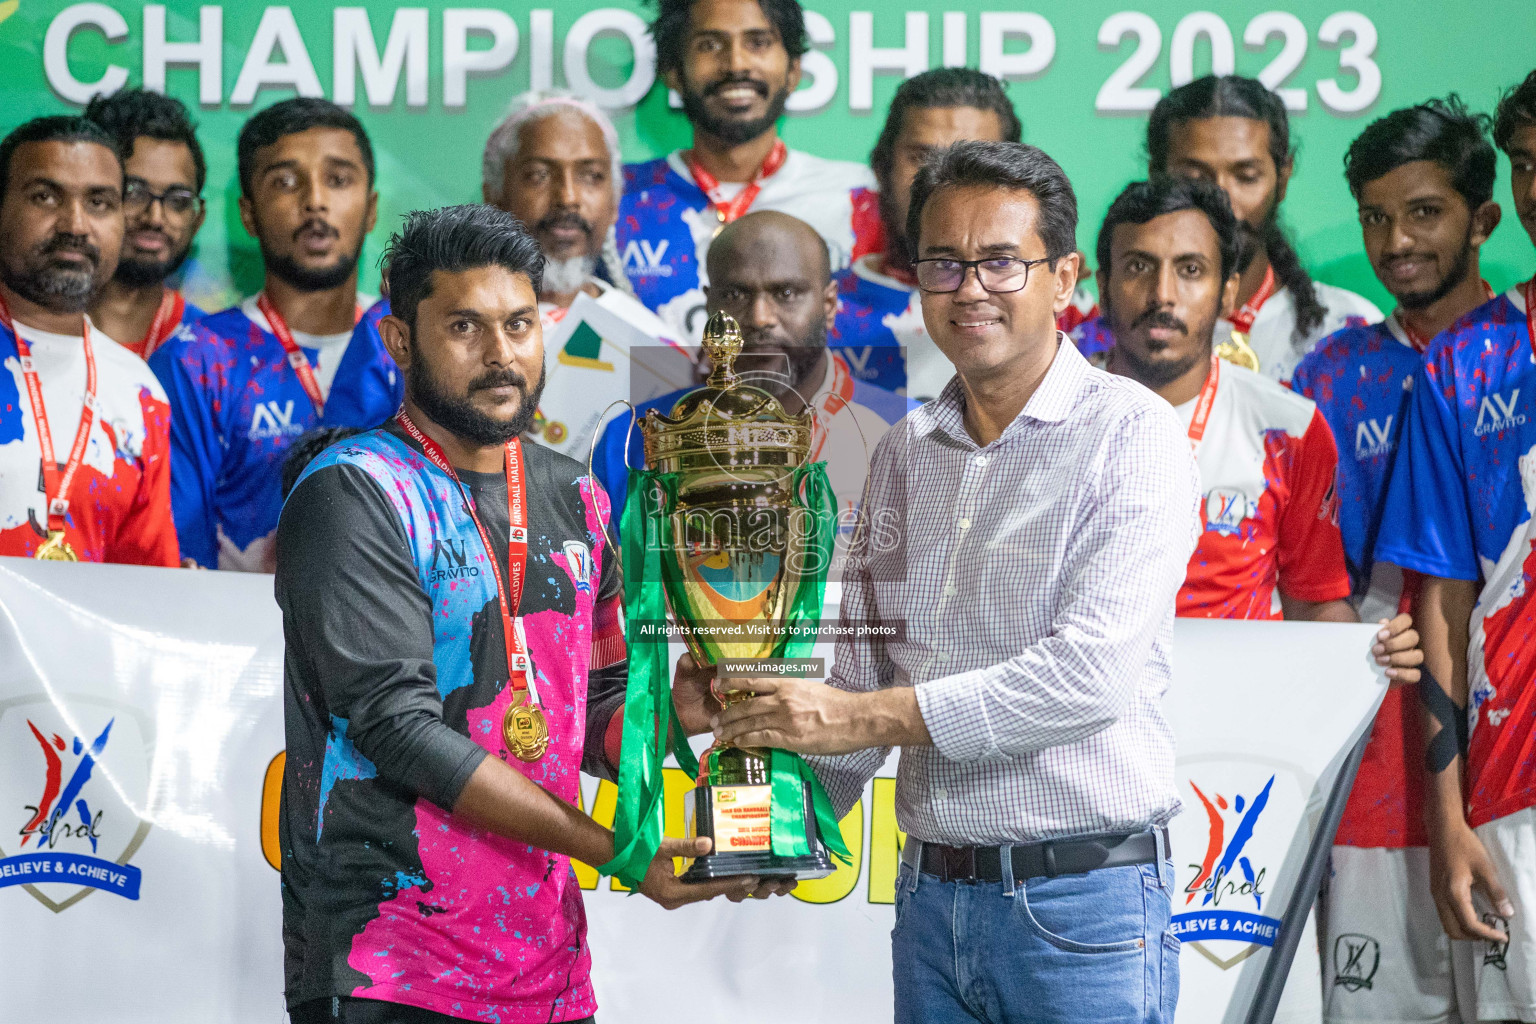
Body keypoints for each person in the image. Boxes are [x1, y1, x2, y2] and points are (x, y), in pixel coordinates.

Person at [706, 140, 1199, 1023]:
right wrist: (778, 826)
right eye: (944, 262)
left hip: (1080, 906)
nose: (971, 287)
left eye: (1002, 261)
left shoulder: (1135, 435)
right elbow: (861, 679)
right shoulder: (902, 453)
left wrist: (857, 715)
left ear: (1064, 278)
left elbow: (1087, 679)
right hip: (931, 906)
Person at [277, 205, 777, 1024]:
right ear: (401, 341)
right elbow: (396, 729)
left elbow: (595, 709)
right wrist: (618, 851)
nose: (501, 354)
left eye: (518, 324)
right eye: (464, 327)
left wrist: (683, 707)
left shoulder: (575, 494)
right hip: (389, 965)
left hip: (545, 971)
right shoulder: (353, 492)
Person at [1096, 174, 1424, 1019]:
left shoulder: (1288, 425)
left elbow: (1319, 604)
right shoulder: (1047, 422)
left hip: (1232, 781)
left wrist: (1364, 659)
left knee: (1223, 993)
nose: (1161, 294)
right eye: (1137, 266)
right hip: (1082, 769)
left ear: (1233, 288)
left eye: (1190, 269)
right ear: (1098, 282)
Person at [1289, 98, 1501, 1024]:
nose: (1395, 241)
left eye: (1424, 212)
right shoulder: (1325, 379)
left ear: (1482, 218)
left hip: (1508, 746)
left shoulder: (1517, 358)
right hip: (1374, 763)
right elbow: (1299, 576)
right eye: (1375, 216)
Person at [1376, 67, 1536, 1024]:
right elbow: (1442, 601)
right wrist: (1448, 821)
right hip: (1516, 784)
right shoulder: (1469, 359)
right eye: (1525, 163)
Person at [150, 98, 402, 572]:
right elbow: (181, 560)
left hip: (394, 637)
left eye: (339, 179)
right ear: (247, 213)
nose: (315, 200)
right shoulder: (197, 360)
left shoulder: (409, 345)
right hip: (239, 637)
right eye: (285, 182)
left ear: (370, 210)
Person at [592, 209, 910, 533]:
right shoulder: (632, 439)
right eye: (735, 294)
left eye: (786, 294)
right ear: (709, 307)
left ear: (829, 306)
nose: (759, 318)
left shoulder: (910, 433)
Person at [1077, 76, 1383, 383]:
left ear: (1283, 177)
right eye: (1194, 178)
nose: (1222, 201)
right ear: (1156, 177)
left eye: (1246, 176)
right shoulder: (1085, 355)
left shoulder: (1349, 333)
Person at [619, 0, 881, 342]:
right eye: (710, 45)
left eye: (758, 42)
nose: (736, 64)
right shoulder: (616, 200)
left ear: (794, 70)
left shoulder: (858, 199)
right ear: (672, 70)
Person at [833, 68, 1096, 400]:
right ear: (880, 165)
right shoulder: (820, 308)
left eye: (975, 159)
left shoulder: (1068, 310)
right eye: (922, 157)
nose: (943, 180)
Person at [0, 115, 177, 566]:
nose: (75, 225)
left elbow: (145, 587)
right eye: (45, 197)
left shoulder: (141, 393)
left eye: (99, 202)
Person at [481, 89, 690, 457]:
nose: (568, 197)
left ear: (614, 204)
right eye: (539, 175)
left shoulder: (651, 339)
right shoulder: (451, 328)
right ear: (495, 196)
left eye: (591, 176)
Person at [83, 87, 208, 359]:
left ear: (197, 219)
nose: (155, 217)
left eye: (178, 199)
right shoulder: (29, 331)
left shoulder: (212, 350)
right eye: (134, 192)